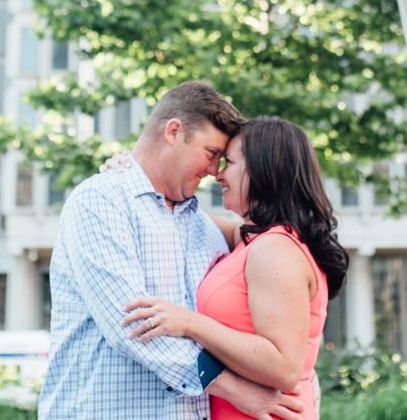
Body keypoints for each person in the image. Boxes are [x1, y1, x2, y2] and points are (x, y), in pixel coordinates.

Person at [39, 81, 306, 420]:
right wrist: (238, 390)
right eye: (211, 154)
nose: (214, 172)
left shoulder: (202, 225)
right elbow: (133, 327)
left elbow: (282, 240)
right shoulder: (100, 200)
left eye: (222, 161)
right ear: (174, 132)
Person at [120, 117, 347, 420]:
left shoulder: (274, 249)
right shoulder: (255, 241)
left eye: (229, 163)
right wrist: (136, 173)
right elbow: (176, 215)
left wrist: (190, 323)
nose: (218, 174)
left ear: (263, 170)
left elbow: (283, 366)